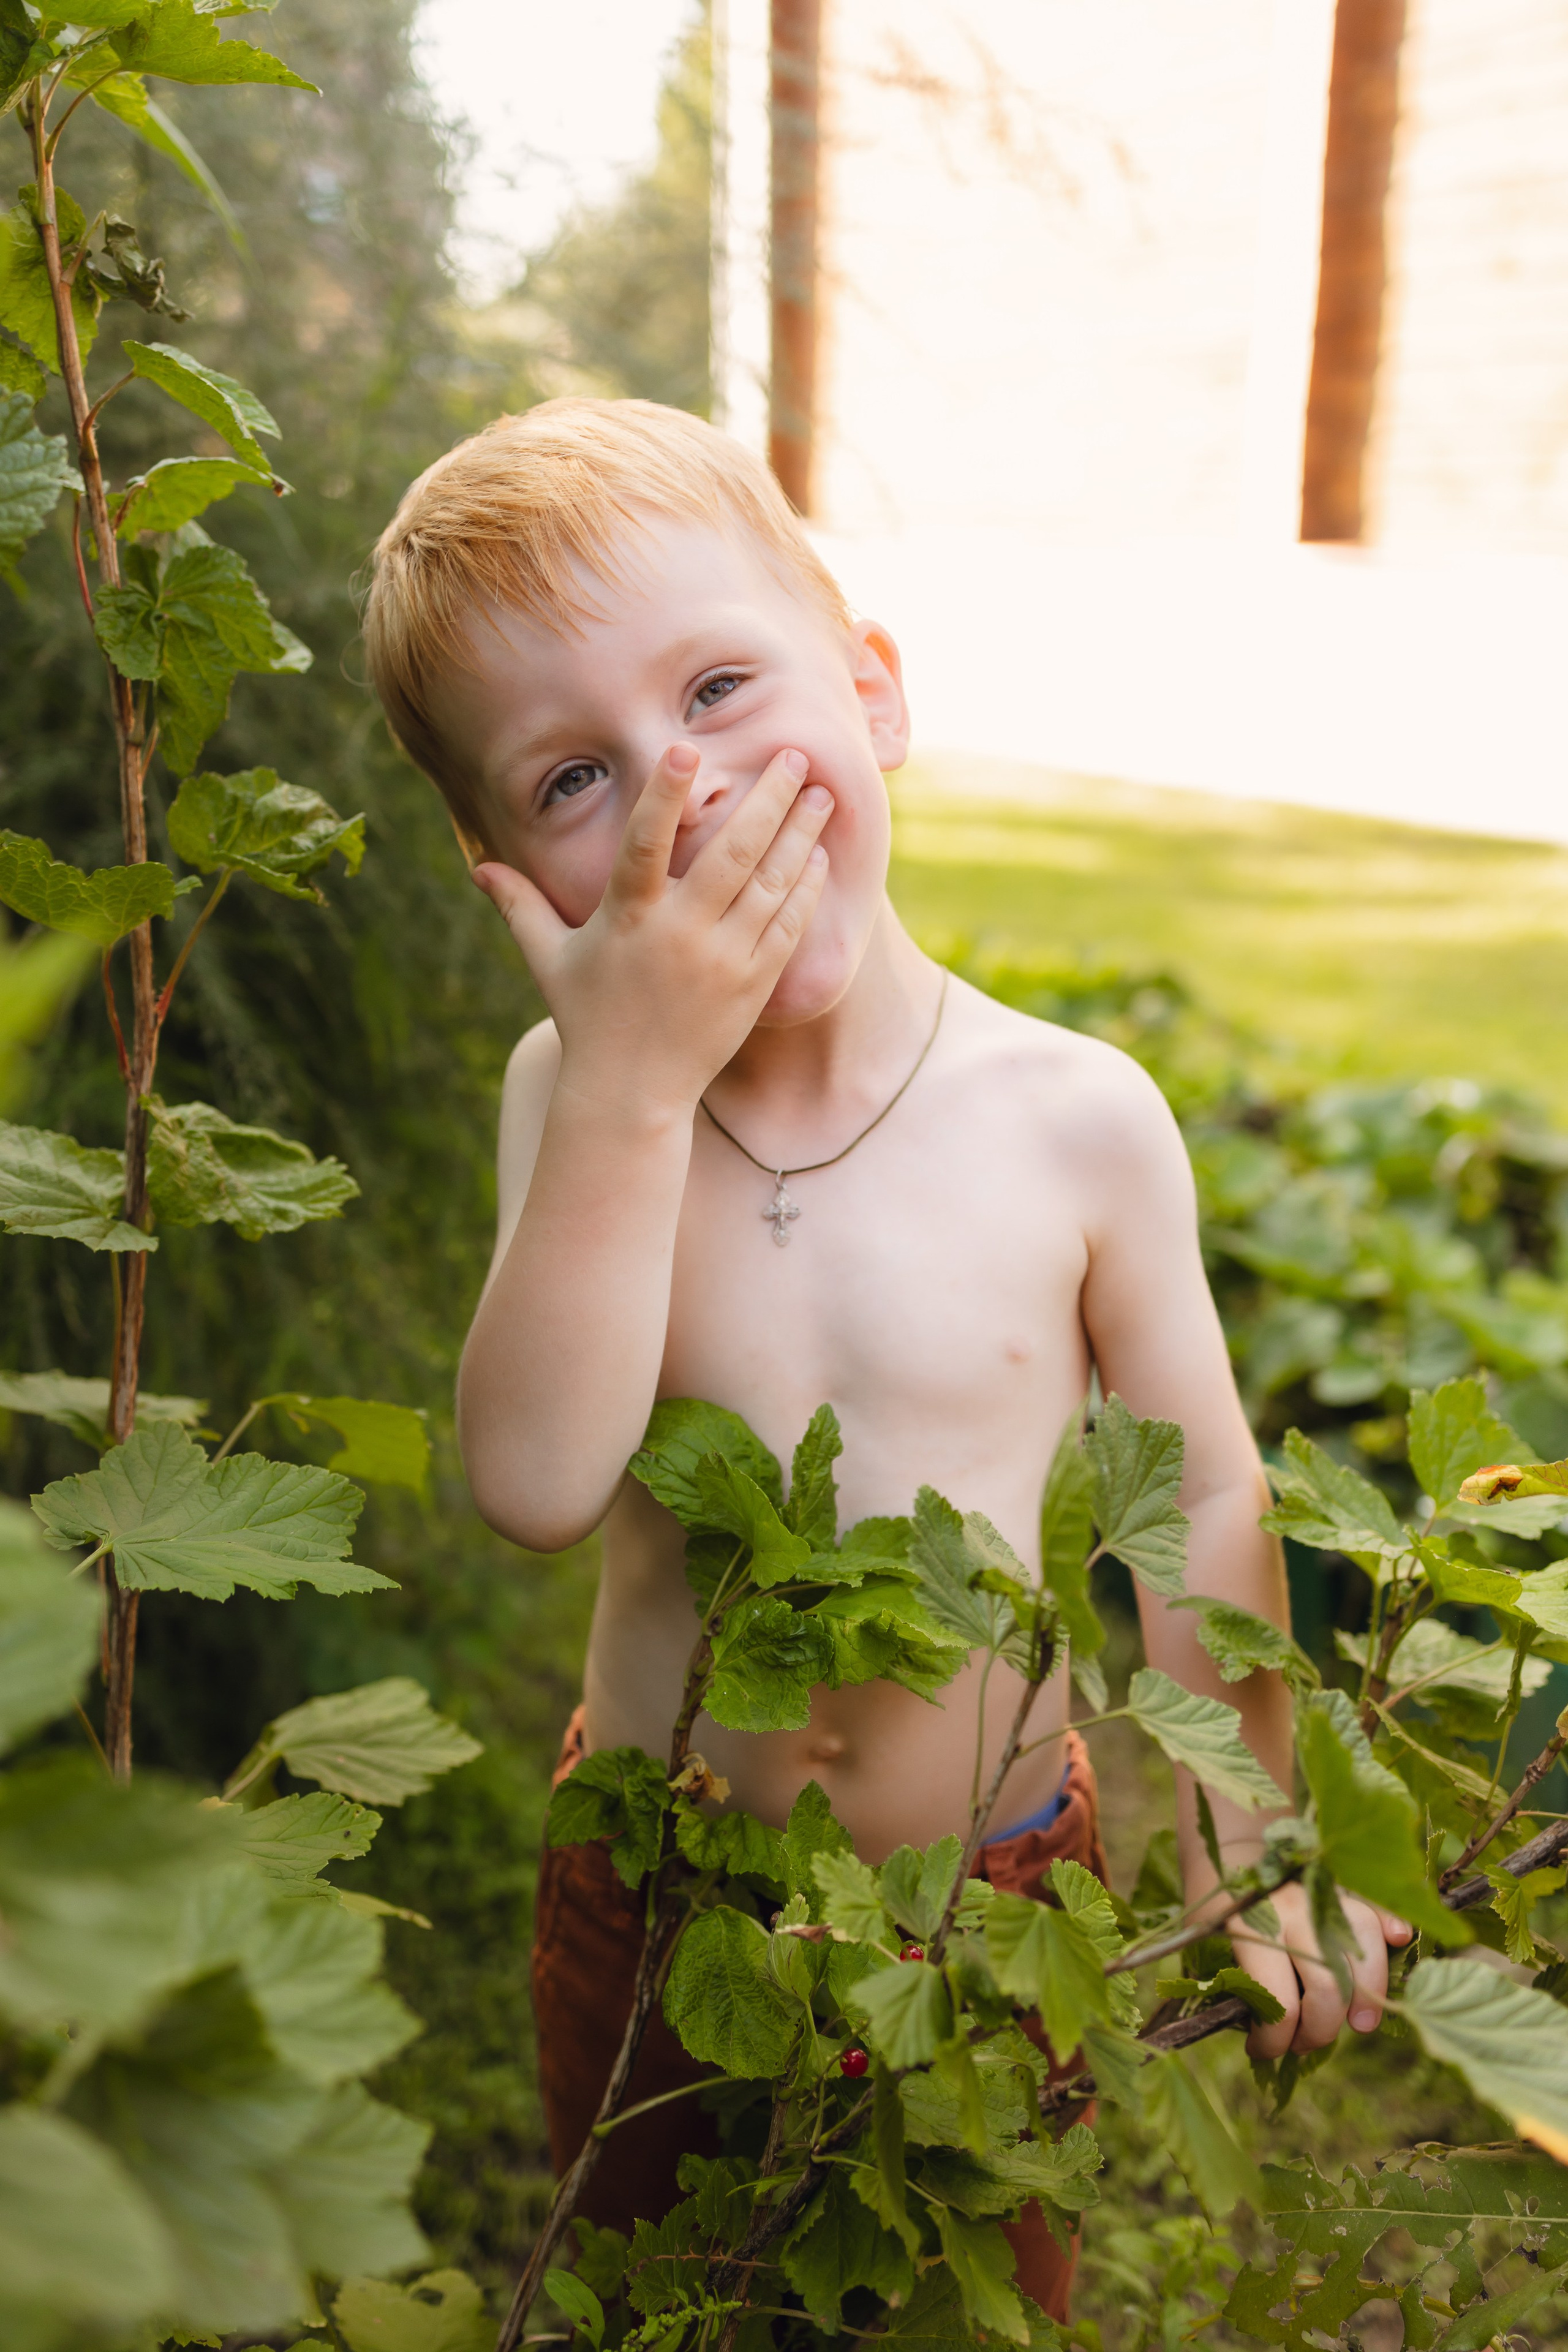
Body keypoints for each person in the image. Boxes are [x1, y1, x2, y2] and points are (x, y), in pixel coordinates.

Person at [362, 398, 1407, 2316]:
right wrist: (624, 1086)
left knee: (964, 2300)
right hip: (663, 1896)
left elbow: (1201, 1494)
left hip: (985, 1913)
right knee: (665, 2294)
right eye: (575, 779)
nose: (685, 796)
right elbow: (532, 1483)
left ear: (878, 693)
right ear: (506, 875)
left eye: (724, 685)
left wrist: (1253, 1825)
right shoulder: (580, 1103)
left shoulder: (1076, 1121)